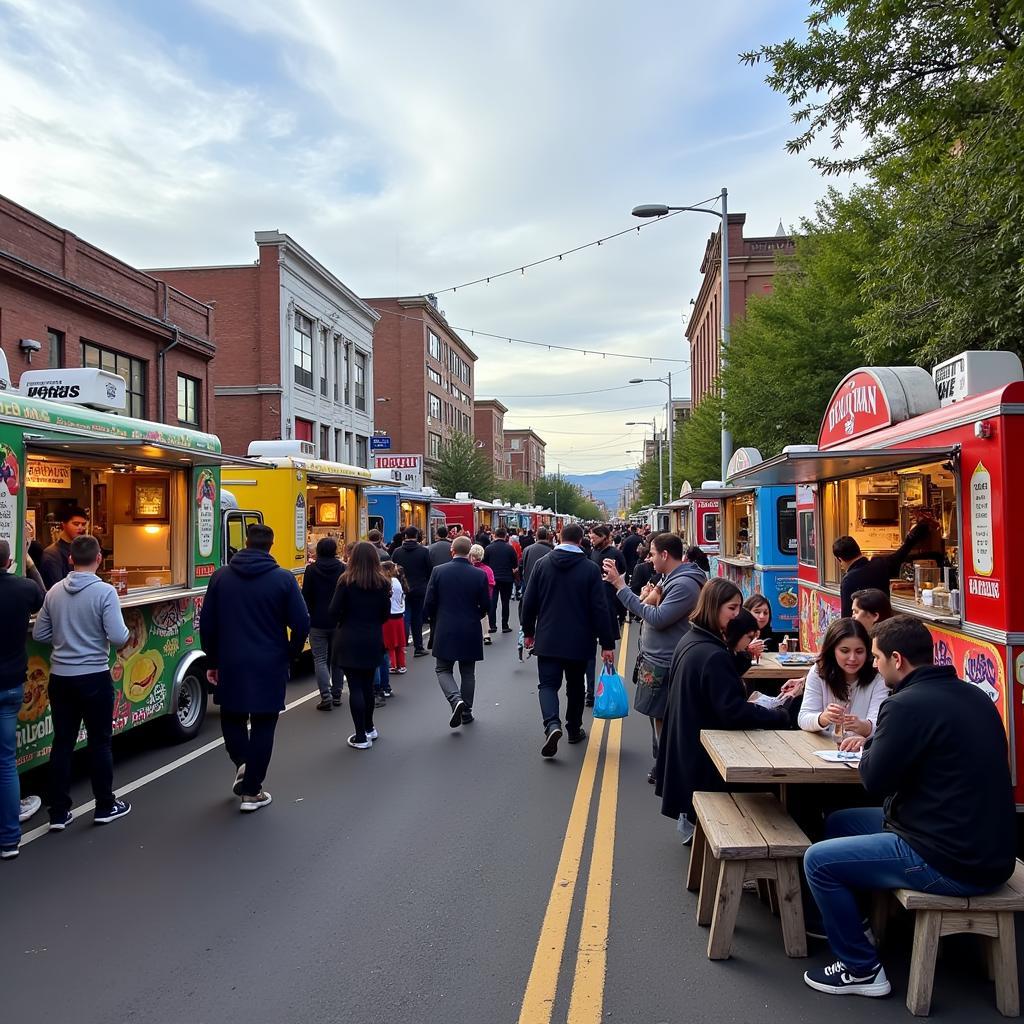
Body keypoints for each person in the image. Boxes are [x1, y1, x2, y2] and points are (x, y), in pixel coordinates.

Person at [802, 615, 1017, 999]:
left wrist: (870, 741)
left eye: (878, 657)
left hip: (948, 859)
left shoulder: (904, 706)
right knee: (841, 821)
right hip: (991, 850)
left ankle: (861, 969)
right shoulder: (974, 695)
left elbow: (874, 780)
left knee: (817, 861)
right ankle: (861, 924)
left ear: (897, 659)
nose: (872, 664)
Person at [654, 578, 791, 844]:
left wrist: (740, 656)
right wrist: (779, 715)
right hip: (707, 760)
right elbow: (733, 711)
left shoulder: (693, 639)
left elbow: (719, 677)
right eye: (733, 608)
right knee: (772, 796)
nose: (738, 614)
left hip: (689, 750)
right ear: (714, 606)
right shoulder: (711, 652)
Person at [201, 524, 309, 811]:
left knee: (232, 716)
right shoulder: (283, 579)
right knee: (264, 722)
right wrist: (291, 652)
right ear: (271, 546)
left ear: (245, 543)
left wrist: (212, 660)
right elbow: (301, 622)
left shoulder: (221, 577)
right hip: (269, 660)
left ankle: (242, 762)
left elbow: (208, 622)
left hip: (230, 659)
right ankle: (252, 790)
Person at [33, 534, 132, 829]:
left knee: (62, 743)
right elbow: (117, 636)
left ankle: (59, 813)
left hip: (60, 678)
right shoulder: (105, 592)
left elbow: (39, 634)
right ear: (99, 559)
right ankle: (104, 805)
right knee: (100, 743)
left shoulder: (53, 593)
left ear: (70, 559)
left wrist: (64, 640)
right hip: (94, 676)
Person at [602, 532, 706, 782]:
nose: (649, 559)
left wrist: (620, 586)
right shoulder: (670, 578)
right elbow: (645, 606)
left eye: (652, 554)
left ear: (665, 555)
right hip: (657, 659)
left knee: (663, 717)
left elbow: (657, 618)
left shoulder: (683, 584)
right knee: (657, 715)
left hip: (667, 661)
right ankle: (663, 764)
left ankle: (669, 768)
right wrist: (648, 596)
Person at [520, 523, 616, 759]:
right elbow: (600, 609)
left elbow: (529, 602)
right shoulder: (590, 569)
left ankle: (552, 725)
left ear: (559, 537)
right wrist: (607, 643)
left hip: (548, 637)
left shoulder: (542, 565)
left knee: (548, 685)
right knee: (576, 686)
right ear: (581, 539)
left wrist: (529, 631)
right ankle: (573, 728)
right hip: (579, 639)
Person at [0, 539, 45, 858]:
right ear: (9, 561)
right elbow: (44, 596)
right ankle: (9, 840)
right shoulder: (23, 589)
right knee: (5, 763)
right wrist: (29, 564)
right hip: (11, 685)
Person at [328, 542, 392, 750]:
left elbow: (334, 610)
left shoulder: (346, 581)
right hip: (373, 637)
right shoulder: (382, 583)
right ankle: (370, 727)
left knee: (355, 687)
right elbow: (385, 614)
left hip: (348, 637)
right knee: (367, 687)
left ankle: (360, 736)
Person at [423, 536, 491, 728]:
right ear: (469, 552)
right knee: (468, 671)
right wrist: (477, 614)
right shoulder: (479, 575)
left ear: (452, 550)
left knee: (443, 668)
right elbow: (486, 604)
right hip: (470, 626)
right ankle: (467, 711)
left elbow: (429, 601)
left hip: (445, 626)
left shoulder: (438, 572)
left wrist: (430, 618)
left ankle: (455, 699)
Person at [795, 618, 887, 747]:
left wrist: (863, 726)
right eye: (845, 651)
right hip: (821, 748)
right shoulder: (819, 672)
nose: (852, 658)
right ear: (833, 650)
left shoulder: (879, 678)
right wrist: (823, 718)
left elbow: (881, 727)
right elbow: (803, 718)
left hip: (860, 753)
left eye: (859, 651)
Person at [832, 525, 931, 617]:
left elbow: (846, 617)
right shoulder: (880, 565)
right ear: (858, 550)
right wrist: (910, 538)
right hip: (885, 624)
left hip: (864, 630)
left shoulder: (848, 580)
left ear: (840, 560)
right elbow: (900, 555)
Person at [302, 537, 345, 711]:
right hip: (338, 621)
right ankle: (337, 694)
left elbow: (305, 595)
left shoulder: (311, 570)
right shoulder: (342, 568)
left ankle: (325, 696)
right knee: (337, 660)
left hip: (317, 620)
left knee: (320, 659)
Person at [586, 525, 626, 705]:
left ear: (604, 537)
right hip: (592, 606)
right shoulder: (592, 553)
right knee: (588, 653)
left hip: (608, 604)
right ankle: (589, 690)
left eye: (594, 538)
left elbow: (622, 576)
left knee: (607, 650)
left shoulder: (615, 554)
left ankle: (608, 685)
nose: (592, 541)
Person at [392, 526, 433, 657]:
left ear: (404, 536)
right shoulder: (423, 551)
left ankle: (402, 644)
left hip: (403, 587)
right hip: (420, 588)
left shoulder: (397, 552)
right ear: (416, 536)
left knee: (405, 615)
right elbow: (429, 570)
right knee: (417, 617)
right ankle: (418, 647)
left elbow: (393, 570)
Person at [39, 506, 89, 589]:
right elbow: (56, 586)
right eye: (76, 524)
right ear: (64, 524)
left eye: (83, 524)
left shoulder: (83, 549)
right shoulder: (52, 554)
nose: (80, 528)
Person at [483, 528, 518, 634]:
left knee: (492, 602)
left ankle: (492, 625)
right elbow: (515, 565)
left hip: (493, 579)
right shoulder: (510, 548)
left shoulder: (488, 548)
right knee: (505, 602)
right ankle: (505, 625)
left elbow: (485, 564)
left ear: (494, 535)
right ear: (505, 536)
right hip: (507, 579)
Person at [381, 560, 408, 676]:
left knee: (390, 643)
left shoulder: (386, 582)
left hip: (389, 615)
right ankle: (401, 665)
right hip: (399, 614)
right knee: (400, 643)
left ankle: (393, 665)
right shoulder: (397, 581)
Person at [468, 544, 495, 645]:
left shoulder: (469, 569)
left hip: (471, 596)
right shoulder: (488, 569)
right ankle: (486, 635)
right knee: (484, 615)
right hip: (485, 596)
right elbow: (492, 584)